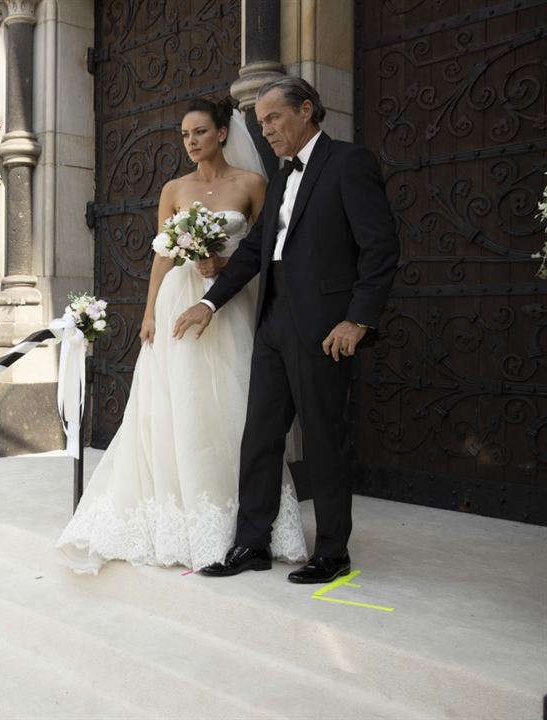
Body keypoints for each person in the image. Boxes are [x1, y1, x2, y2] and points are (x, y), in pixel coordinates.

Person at [56, 98, 308, 574]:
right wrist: (149, 312)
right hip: (177, 303)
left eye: (200, 132)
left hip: (230, 303)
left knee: (235, 404)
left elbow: (270, 251)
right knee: (181, 404)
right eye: (185, 135)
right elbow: (162, 255)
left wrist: (226, 266)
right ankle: (184, 518)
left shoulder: (253, 184)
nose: (191, 142)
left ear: (222, 134)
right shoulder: (173, 188)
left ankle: (248, 523)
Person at [177, 78, 399, 583]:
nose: (267, 131)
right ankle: (251, 545)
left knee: (324, 439)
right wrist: (210, 302)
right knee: (259, 437)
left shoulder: (348, 163)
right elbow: (256, 251)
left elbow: (380, 246)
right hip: (272, 321)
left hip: (324, 328)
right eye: (260, 124)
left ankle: (333, 551)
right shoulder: (279, 176)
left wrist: (358, 318)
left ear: (307, 110)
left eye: (273, 119)